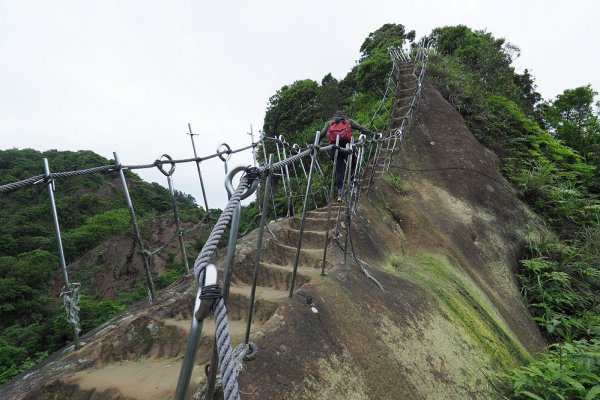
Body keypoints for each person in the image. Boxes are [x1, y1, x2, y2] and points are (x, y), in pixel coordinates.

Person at [319, 110, 377, 201]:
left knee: (339, 171)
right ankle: (351, 183)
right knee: (353, 163)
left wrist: (316, 145)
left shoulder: (329, 123)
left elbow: (321, 134)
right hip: (347, 147)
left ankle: (340, 192)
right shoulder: (348, 121)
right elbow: (361, 128)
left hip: (334, 148)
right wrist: (374, 135)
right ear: (344, 116)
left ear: (334, 117)